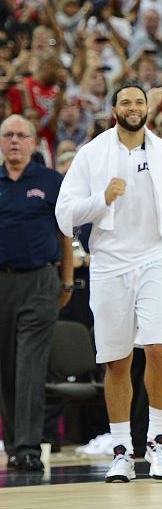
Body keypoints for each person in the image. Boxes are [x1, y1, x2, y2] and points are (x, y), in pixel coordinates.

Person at [55, 83, 162, 482]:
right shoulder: (92, 154)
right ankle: (122, 449)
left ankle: (159, 444)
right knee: (117, 359)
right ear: (114, 110)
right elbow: (65, 214)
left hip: (158, 260)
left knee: (159, 349)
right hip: (108, 265)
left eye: (139, 101)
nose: (132, 107)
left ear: (148, 109)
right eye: (125, 101)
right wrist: (101, 199)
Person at [0, 115, 73, 472]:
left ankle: (29, 447)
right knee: (6, 369)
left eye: (20, 135)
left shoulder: (51, 181)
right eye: (8, 135)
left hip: (41, 280)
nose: (14, 141)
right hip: (2, 282)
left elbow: (66, 236)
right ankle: (14, 444)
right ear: (1, 142)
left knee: (29, 366)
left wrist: (68, 280)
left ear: (33, 142)